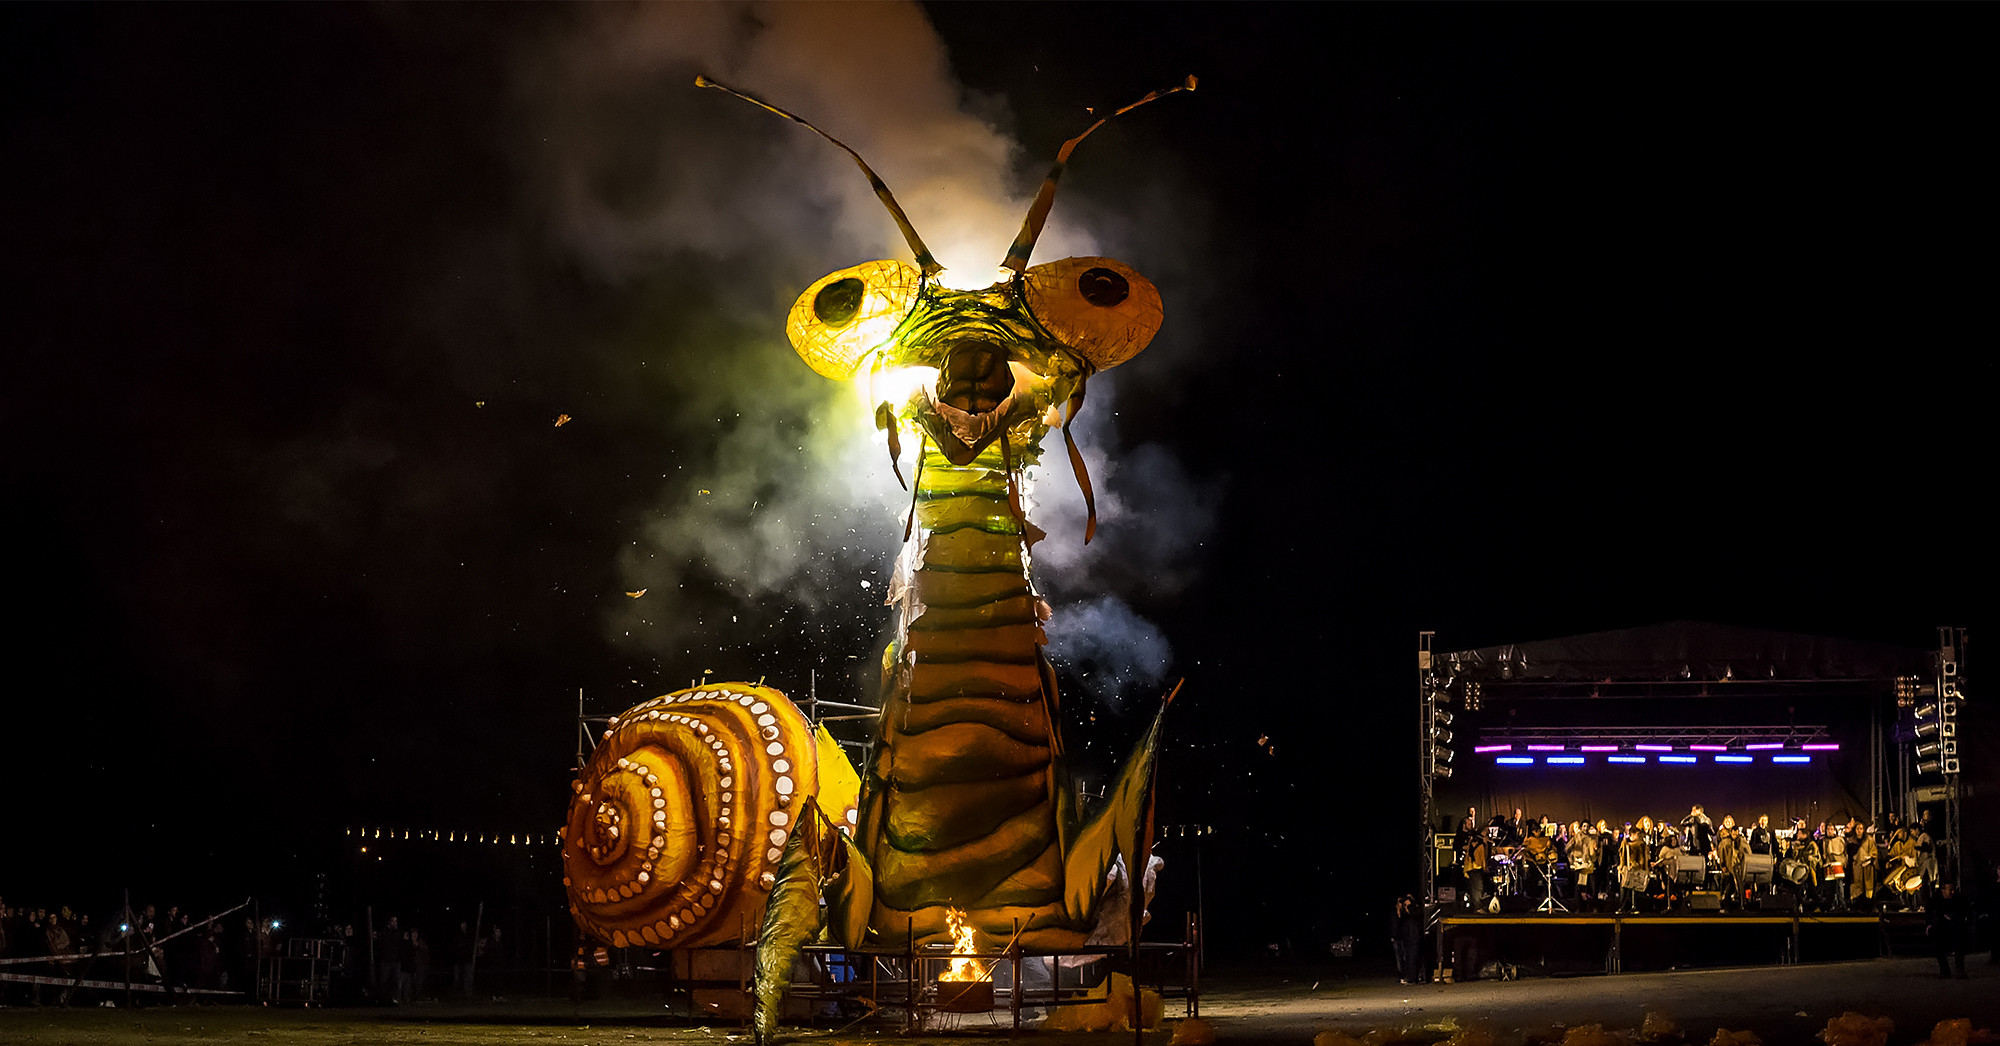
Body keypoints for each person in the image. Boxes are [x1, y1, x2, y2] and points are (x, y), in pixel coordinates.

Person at [1928, 881, 1968, 978]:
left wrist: (1955, 917)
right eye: (1950, 890)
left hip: (1956, 925)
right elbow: (1930, 911)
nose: (1952, 892)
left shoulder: (1958, 898)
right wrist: (1929, 924)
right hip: (1941, 926)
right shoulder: (1936, 899)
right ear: (1943, 890)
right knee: (1938, 945)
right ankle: (1945, 970)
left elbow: (1964, 911)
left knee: (1959, 943)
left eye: (1953, 890)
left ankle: (1959, 969)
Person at [1391, 895, 1422, 984]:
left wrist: (1411, 903)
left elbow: (1416, 914)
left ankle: (1413, 978)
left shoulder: (1414, 910)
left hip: (1414, 937)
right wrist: (1400, 909)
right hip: (1406, 938)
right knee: (1407, 958)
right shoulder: (1403, 913)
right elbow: (1399, 921)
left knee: (1413, 958)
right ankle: (1409, 976)